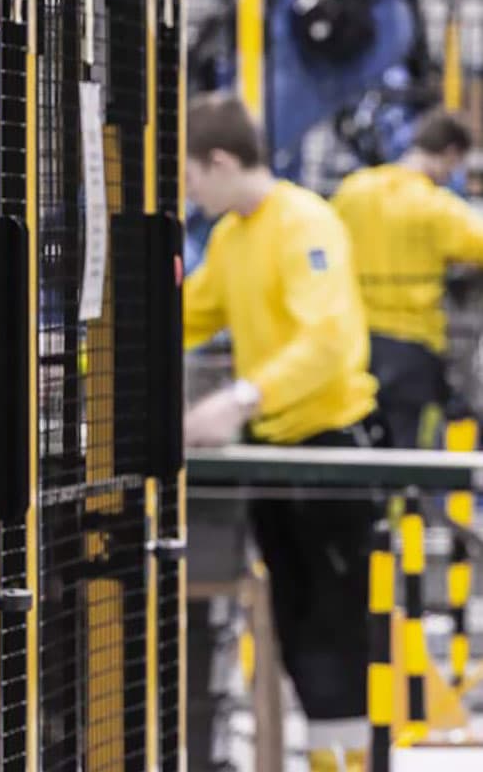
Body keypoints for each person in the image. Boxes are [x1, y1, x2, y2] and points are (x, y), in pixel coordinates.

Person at [184, 92, 382, 772]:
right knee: (297, 627)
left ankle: (346, 763)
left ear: (220, 161)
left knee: (334, 629)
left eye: (191, 177)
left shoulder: (304, 222)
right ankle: (328, 759)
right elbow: (185, 315)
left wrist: (239, 399)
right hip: (273, 454)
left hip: (329, 453)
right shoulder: (232, 238)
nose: (190, 193)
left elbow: (326, 340)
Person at [333, 108, 483, 448]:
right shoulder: (436, 207)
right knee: (411, 456)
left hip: (355, 348)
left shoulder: (353, 191)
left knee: (363, 449)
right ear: (450, 154)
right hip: (413, 353)